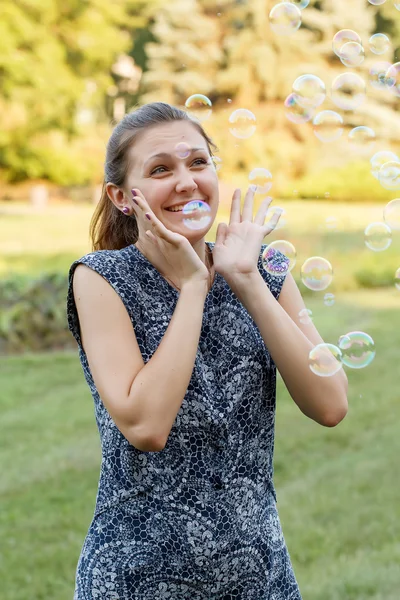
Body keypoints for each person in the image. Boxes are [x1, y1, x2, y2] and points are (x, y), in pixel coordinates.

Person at [67, 101, 348, 600]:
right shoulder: (102, 279)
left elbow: (330, 404)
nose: (186, 182)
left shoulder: (259, 270)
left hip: (259, 578)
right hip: (137, 581)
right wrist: (194, 287)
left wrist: (246, 281)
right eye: (160, 169)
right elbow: (147, 426)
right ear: (121, 196)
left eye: (198, 162)